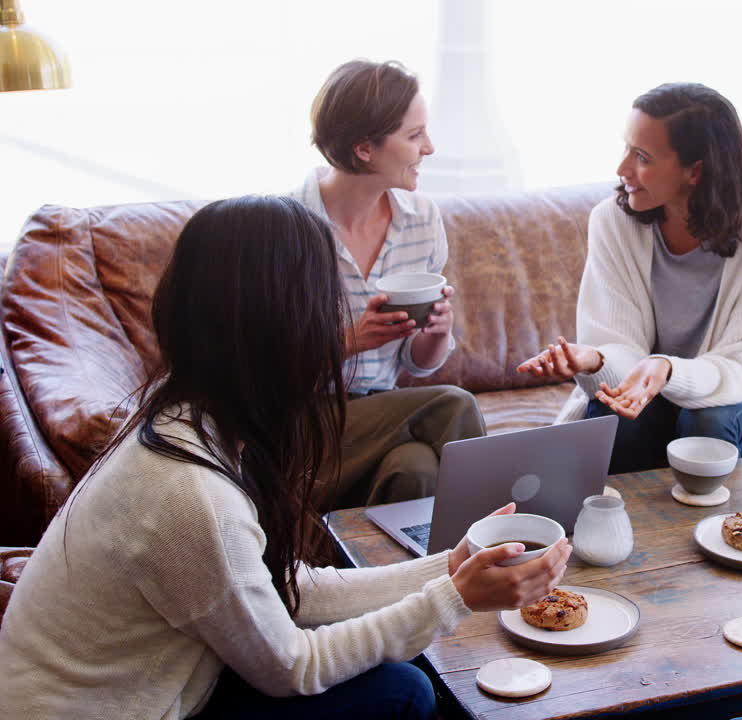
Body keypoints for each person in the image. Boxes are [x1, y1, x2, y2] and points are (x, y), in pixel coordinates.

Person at [0, 197, 572, 719]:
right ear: (280, 324)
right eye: (325, 302)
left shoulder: (185, 418)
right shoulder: (188, 494)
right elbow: (293, 666)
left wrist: (450, 564)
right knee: (404, 691)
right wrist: (453, 598)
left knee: (406, 670)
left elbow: (285, 591)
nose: (333, 323)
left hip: (142, 687)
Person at [517, 82, 742, 474]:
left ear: (695, 171)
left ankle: (706, 533)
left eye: (642, 156)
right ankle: (621, 532)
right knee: (612, 414)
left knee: (706, 423)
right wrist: (595, 358)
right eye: (626, 149)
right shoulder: (613, 222)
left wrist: (666, 370)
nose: (622, 169)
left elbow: (740, 368)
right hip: (644, 399)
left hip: (724, 401)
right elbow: (621, 355)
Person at [293, 59, 484, 510]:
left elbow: (416, 365)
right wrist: (349, 341)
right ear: (365, 150)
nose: (430, 147)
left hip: (382, 409)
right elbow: (260, 371)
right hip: (299, 420)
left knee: (415, 470)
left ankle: (408, 579)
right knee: (453, 405)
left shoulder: (421, 220)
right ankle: (502, 546)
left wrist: (436, 335)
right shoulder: (287, 228)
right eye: (414, 136)